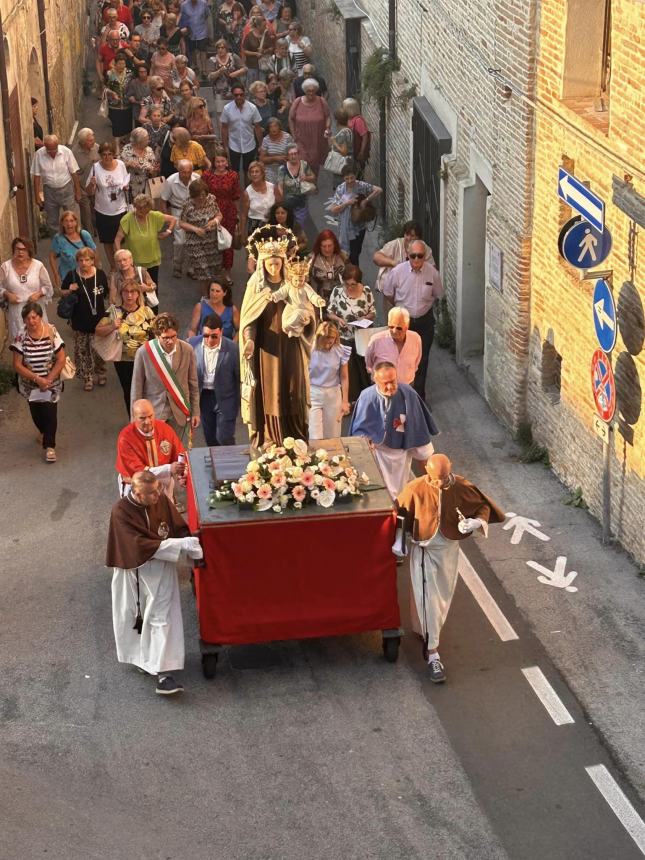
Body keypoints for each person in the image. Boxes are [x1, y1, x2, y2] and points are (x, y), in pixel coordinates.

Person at [396, 454, 505, 682]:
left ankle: (426, 629)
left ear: (450, 470)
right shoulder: (414, 488)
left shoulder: (462, 486)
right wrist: (399, 543)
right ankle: (433, 654)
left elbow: (482, 506)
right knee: (428, 597)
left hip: (449, 549)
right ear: (426, 469)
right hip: (424, 549)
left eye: (443, 479)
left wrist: (477, 522)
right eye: (435, 479)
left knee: (442, 596)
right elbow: (399, 515)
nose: (439, 484)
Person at [106, 470, 203, 696]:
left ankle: (164, 673)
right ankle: (143, 658)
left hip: (161, 571)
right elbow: (138, 545)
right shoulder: (120, 511)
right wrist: (180, 545)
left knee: (162, 618)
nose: (157, 497)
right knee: (136, 619)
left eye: (158, 490)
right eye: (150, 494)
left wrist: (191, 546)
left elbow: (177, 528)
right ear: (136, 493)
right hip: (135, 572)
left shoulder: (159, 499)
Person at [239, 225, 313, 447]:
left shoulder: (294, 283)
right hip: (267, 350)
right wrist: (249, 340)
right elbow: (248, 320)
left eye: (277, 263)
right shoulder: (256, 287)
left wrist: (307, 320)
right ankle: (271, 438)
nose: (273, 267)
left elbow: (308, 309)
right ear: (262, 264)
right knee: (270, 392)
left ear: (283, 263)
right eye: (269, 263)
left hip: (292, 347)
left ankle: (296, 436)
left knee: (293, 389)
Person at [350, 362, 438, 500]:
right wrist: (365, 439)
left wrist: (436, 477)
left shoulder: (408, 393)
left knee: (427, 454)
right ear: (375, 380)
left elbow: (417, 426)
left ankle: (434, 493)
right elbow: (359, 429)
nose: (390, 387)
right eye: (385, 383)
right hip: (378, 450)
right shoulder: (366, 396)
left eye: (393, 381)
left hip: (402, 444)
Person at [383, 239, 444, 401]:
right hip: (404, 324)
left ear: (425, 256)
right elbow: (388, 293)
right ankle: (399, 396)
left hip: (424, 322)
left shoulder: (432, 273)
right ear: (407, 256)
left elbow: (437, 294)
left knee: (422, 361)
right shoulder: (397, 272)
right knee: (401, 359)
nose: (416, 260)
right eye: (413, 256)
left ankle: (419, 398)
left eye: (420, 256)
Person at [11, 302, 66, 463]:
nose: (31, 321)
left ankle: (50, 446)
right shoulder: (21, 336)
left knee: (49, 413)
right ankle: (43, 432)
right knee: (37, 414)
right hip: (30, 385)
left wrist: (47, 380)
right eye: (27, 318)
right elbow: (17, 364)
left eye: (34, 317)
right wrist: (37, 379)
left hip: (51, 383)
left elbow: (61, 358)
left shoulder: (50, 331)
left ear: (40, 317)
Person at [130, 311, 200, 436]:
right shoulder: (144, 352)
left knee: (177, 452)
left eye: (173, 336)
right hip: (153, 413)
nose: (170, 341)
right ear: (157, 336)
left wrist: (195, 412)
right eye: (165, 338)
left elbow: (193, 384)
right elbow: (136, 388)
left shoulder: (187, 350)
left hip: (179, 412)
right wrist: (134, 419)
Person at [94, 279, 156, 411]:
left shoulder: (147, 312)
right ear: (121, 294)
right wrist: (112, 326)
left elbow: (156, 333)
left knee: (147, 390)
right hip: (123, 360)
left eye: (133, 292)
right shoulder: (114, 311)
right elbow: (98, 331)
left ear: (138, 294)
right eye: (126, 292)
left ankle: (148, 416)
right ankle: (133, 420)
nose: (129, 295)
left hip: (145, 358)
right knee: (129, 391)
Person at [59, 248, 109, 391]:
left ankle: (101, 372)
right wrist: (69, 290)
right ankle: (88, 378)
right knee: (82, 351)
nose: (84, 263)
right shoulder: (72, 276)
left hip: (99, 321)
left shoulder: (100, 275)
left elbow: (106, 293)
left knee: (98, 350)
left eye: (87, 260)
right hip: (79, 321)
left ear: (93, 261)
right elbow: (61, 292)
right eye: (81, 260)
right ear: (77, 262)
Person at [116, 398, 186, 498]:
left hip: (162, 485)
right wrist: (169, 468)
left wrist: (182, 474)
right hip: (138, 488)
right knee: (137, 514)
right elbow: (140, 473)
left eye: (150, 416)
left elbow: (180, 455)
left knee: (165, 513)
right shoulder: (125, 438)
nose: (148, 421)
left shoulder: (165, 429)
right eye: (142, 418)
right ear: (134, 417)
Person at [188, 312, 240, 445]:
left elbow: (239, 377)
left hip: (226, 398)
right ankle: (215, 465)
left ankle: (228, 464)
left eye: (214, 336)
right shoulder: (192, 345)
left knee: (224, 437)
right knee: (210, 438)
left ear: (221, 332)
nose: (209, 340)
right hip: (204, 397)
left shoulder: (232, 349)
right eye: (205, 335)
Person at [326, 263, 374, 402]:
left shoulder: (366, 291)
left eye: (353, 284)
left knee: (365, 368)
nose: (350, 287)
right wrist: (338, 319)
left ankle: (367, 398)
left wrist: (365, 318)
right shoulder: (337, 291)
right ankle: (352, 399)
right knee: (348, 369)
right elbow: (329, 312)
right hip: (344, 335)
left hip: (361, 335)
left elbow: (372, 312)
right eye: (347, 284)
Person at [86, 141, 130, 270]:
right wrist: (92, 184)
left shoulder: (121, 165)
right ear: (100, 155)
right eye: (104, 154)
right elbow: (89, 192)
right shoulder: (95, 168)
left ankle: (124, 265)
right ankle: (113, 267)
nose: (107, 157)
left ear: (114, 154)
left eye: (110, 154)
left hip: (120, 209)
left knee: (121, 240)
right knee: (107, 241)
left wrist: (126, 186)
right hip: (103, 211)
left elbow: (125, 181)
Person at [115, 194, 176, 287]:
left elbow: (173, 219)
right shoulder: (127, 219)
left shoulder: (154, 216)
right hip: (134, 263)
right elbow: (117, 240)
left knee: (152, 287)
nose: (141, 213)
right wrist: (120, 257)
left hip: (152, 260)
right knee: (135, 289)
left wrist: (167, 232)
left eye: (145, 210)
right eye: (139, 209)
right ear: (135, 207)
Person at [0, 238, 53, 341]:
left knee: (40, 341)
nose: (20, 252)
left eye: (24, 249)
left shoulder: (38, 266)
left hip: (36, 311)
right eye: (17, 249)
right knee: (20, 344)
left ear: (29, 250)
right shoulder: (6, 267)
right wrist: (7, 294)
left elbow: (48, 287)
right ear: (13, 250)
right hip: (17, 313)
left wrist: (38, 294)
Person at [329, 163, 382, 265]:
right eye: (347, 179)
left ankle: (354, 276)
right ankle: (351, 276)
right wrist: (346, 203)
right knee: (346, 255)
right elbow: (333, 210)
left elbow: (378, 190)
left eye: (352, 178)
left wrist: (365, 201)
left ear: (356, 175)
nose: (349, 181)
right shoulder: (340, 189)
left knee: (355, 254)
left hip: (358, 228)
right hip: (344, 228)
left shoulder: (361, 186)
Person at [179, 178, 224, 296]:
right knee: (202, 270)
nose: (201, 198)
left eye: (203, 195)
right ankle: (205, 297)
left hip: (212, 241)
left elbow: (219, 215)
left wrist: (214, 222)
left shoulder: (211, 199)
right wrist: (196, 229)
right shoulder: (187, 204)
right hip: (195, 242)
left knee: (214, 269)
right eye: (198, 196)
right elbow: (181, 223)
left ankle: (215, 295)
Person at [30, 135, 81, 233]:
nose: (52, 153)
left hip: (66, 188)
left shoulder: (66, 152)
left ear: (58, 145)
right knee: (52, 221)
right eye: (49, 150)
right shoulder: (39, 155)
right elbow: (36, 177)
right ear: (45, 146)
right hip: (49, 191)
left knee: (71, 217)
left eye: (54, 149)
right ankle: (58, 244)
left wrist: (77, 191)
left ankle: (73, 240)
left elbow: (74, 172)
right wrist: (37, 196)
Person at [201, 150, 240, 278]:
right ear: (214, 162)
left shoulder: (233, 175)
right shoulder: (207, 175)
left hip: (228, 212)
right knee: (212, 241)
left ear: (227, 162)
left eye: (222, 161)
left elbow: (236, 195)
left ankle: (227, 272)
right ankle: (214, 271)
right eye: (217, 161)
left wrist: (238, 215)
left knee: (227, 242)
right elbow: (202, 194)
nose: (220, 164)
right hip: (211, 211)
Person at [309, 320, 350, 441]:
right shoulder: (309, 349)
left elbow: (344, 376)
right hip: (313, 392)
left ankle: (333, 458)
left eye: (330, 343)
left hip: (333, 393)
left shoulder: (340, 350)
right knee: (315, 434)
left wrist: (345, 401)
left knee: (332, 434)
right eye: (325, 343)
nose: (328, 346)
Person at [159, 159, 200, 277]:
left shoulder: (197, 179)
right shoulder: (171, 181)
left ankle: (192, 268)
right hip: (177, 212)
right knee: (180, 242)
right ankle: (177, 265)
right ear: (178, 170)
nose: (186, 175)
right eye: (183, 172)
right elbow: (163, 201)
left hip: (193, 212)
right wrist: (167, 219)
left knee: (194, 241)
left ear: (192, 171)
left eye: (188, 172)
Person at [268, 255, 325, 338]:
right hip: (291, 308)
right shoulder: (288, 286)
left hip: (304, 310)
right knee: (284, 323)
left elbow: (312, 295)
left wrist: (318, 300)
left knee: (298, 315)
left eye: (301, 280)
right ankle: (294, 330)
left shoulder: (305, 287)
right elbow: (281, 293)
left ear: (304, 279)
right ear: (291, 278)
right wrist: (274, 296)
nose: (298, 282)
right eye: (296, 280)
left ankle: (297, 330)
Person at [365, 307, 421, 386]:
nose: (394, 331)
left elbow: (417, 362)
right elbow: (369, 364)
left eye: (399, 328)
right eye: (391, 327)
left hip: (407, 385)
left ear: (407, 326)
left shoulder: (415, 338)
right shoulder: (376, 340)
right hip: (382, 387)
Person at [373, 220, 433, 293]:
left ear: (418, 238)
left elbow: (432, 270)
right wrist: (393, 263)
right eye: (407, 234)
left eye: (412, 236)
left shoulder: (425, 249)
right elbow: (376, 257)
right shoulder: (396, 244)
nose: (408, 238)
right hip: (393, 291)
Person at [288, 79, 330, 177]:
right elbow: (291, 119)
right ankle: (302, 185)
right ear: (304, 90)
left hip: (317, 138)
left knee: (315, 163)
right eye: (308, 91)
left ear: (316, 90)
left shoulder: (321, 101)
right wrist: (293, 135)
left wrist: (327, 128)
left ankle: (313, 182)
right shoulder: (297, 102)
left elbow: (328, 116)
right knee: (303, 162)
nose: (311, 93)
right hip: (301, 139)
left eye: (313, 90)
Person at [220, 83, 263, 178]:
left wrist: (260, 145)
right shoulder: (227, 109)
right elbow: (224, 128)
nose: (239, 97)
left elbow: (257, 127)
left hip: (249, 144)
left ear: (245, 94)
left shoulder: (252, 108)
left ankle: (247, 191)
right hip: (233, 144)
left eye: (241, 94)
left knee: (248, 171)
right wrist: (225, 146)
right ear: (233, 95)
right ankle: (236, 191)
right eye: (236, 95)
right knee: (234, 172)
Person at [47, 211, 95, 292]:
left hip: (86, 274)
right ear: (62, 223)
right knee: (70, 300)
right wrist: (56, 275)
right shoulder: (58, 238)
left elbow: (94, 253)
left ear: (76, 222)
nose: (69, 224)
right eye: (66, 221)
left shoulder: (84, 235)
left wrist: (95, 271)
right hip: (67, 276)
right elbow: (52, 256)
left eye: (72, 221)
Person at [208, 38, 246, 130]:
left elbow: (244, 68)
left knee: (236, 112)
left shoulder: (233, 57)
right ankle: (223, 137)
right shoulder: (212, 60)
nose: (220, 50)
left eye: (222, 48)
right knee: (221, 114)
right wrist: (219, 72)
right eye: (218, 48)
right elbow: (209, 77)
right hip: (219, 91)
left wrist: (235, 73)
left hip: (234, 91)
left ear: (226, 48)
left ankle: (236, 132)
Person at [276, 143, 315, 227]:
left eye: (295, 153)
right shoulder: (282, 169)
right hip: (288, 203)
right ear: (287, 156)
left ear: (298, 154)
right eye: (291, 154)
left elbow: (313, 177)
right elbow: (280, 185)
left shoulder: (304, 165)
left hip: (302, 202)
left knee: (299, 226)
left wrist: (306, 178)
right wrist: (282, 200)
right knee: (288, 226)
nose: (293, 156)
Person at [72, 128, 100, 236]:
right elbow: (73, 173)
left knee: (95, 209)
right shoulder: (74, 153)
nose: (93, 142)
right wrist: (77, 190)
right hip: (82, 187)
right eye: (90, 141)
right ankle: (88, 235)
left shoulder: (96, 148)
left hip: (95, 186)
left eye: (93, 139)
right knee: (86, 212)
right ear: (83, 142)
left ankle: (96, 229)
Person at [240, 160, 278, 239]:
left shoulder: (272, 187)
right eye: (252, 172)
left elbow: (280, 205)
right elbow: (244, 215)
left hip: (272, 224)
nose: (254, 174)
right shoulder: (247, 192)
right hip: (255, 227)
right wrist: (242, 234)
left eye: (257, 171)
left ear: (262, 173)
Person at [105, 52, 134, 152]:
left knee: (127, 127)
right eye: (120, 64)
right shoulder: (109, 74)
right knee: (116, 128)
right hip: (114, 106)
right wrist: (112, 93)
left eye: (124, 64)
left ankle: (125, 147)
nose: (122, 66)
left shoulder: (130, 73)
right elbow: (105, 88)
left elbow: (133, 87)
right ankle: (117, 149)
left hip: (127, 105)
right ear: (115, 64)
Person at [120, 128, 160, 198]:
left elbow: (153, 171)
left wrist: (154, 170)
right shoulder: (126, 150)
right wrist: (128, 164)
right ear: (139, 142)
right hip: (131, 188)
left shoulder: (149, 150)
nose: (149, 141)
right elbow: (118, 167)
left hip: (146, 188)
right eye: (146, 139)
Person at [309, 229, 345, 302]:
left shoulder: (343, 257)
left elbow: (351, 276)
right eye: (324, 246)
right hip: (317, 300)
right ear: (319, 246)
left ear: (334, 245)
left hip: (339, 300)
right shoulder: (312, 259)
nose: (327, 249)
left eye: (330, 246)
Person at [179, 0, 210, 79]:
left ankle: (204, 70)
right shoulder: (184, 5)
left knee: (203, 50)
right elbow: (182, 18)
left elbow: (207, 15)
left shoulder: (203, 3)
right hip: (190, 31)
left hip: (201, 30)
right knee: (192, 51)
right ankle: (195, 66)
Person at [242, 15, 275, 85]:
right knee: (253, 86)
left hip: (264, 66)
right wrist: (255, 53)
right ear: (258, 26)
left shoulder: (266, 35)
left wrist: (265, 51)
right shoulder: (249, 36)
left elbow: (271, 47)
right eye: (264, 26)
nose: (266, 27)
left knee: (263, 85)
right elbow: (245, 51)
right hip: (252, 66)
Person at [342, 97, 371, 179]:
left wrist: (361, 152)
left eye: (344, 108)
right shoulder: (348, 119)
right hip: (349, 154)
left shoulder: (358, 121)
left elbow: (365, 137)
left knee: (356, 176)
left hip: (356, 154)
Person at [259, 116, 293, 183]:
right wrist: (275, 158)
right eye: (270, 127)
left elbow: (293, 154)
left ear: (279, 127)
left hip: (285, 167)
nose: (273, 129)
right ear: (268, 129)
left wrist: (287, 159)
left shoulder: (287, 137)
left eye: (275, 126)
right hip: (270, 169)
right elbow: (262, 159)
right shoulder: (266, 140)